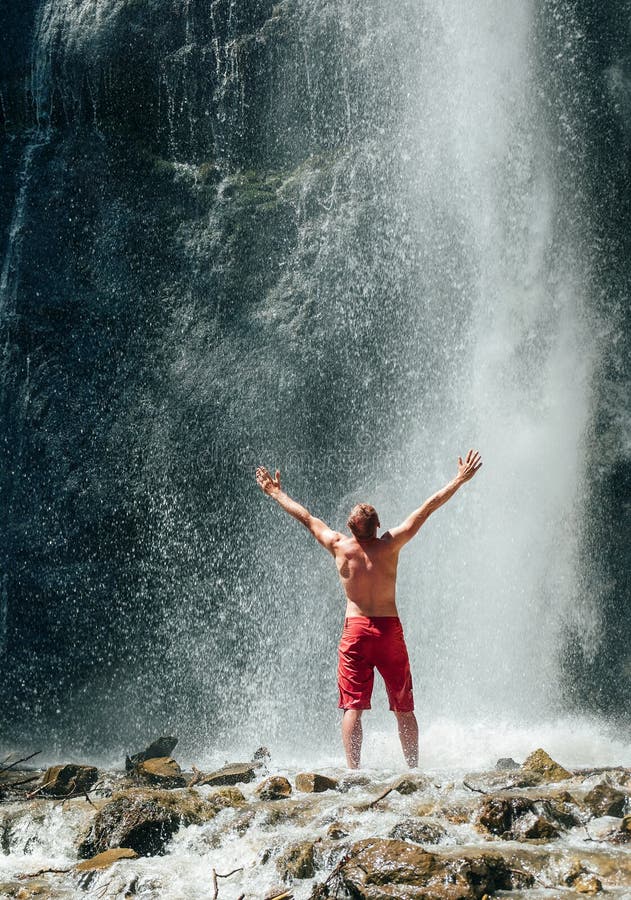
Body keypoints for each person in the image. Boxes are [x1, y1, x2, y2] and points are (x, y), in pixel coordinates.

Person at [255, 449, 482, 768]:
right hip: (389, 631)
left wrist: (276, 492)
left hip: (356, 631)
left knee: (353, 708)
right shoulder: (391, 543)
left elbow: (305, 517)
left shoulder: (338, 546)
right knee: (404, 706)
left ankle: (353, 772)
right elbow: (427, 509)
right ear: (377, 525)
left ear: (351, 528)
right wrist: (459, 479)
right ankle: (413, 770)